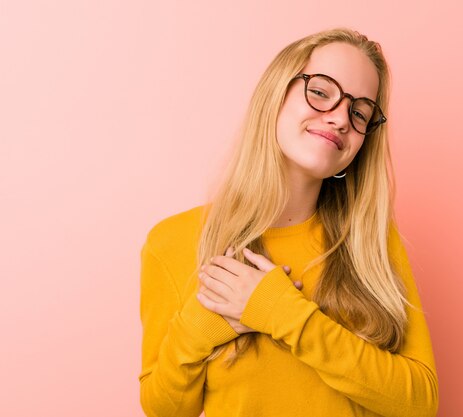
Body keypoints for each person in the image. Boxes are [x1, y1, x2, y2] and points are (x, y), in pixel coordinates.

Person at [139, 28, 438, 417]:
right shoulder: (172, 242)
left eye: (359, 112)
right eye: (320, 91)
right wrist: (204, 323)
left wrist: (282, 313)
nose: (341, 118)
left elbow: (419, 404)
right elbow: (164, 410)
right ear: (276, 94)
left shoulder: (372, 245)